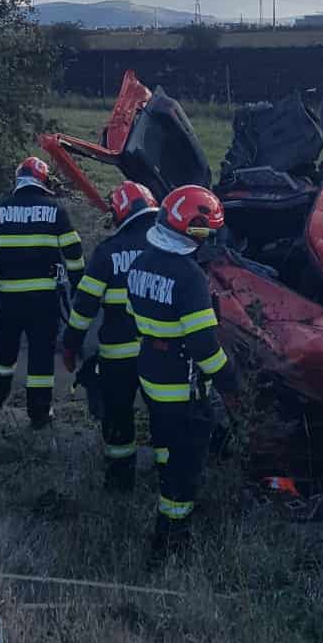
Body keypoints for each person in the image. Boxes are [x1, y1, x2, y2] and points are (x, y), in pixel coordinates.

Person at [126, 184, 236, 552]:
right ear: (195, 230)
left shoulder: (140, 261)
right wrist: (229, 381)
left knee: (163, 437)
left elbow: (135, 315)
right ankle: (172, 535)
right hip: (181, 382)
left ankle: (163, 478)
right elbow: (204, 345)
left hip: (151, 371)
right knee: (186, 465)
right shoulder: (189, 278)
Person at [0, 155, 84, 428]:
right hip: (45, 301)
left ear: (18, 181)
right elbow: (74, 253)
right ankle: (39, 414)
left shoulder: (0, 210)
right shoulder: (55, 211)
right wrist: (79, 285)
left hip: (10, 300)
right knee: (41, 355)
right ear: (43, 181)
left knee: (6, 350)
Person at [61, 181, 158, 492]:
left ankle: (119, 481)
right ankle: (167, 479)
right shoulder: (168, 248)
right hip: (161, 355)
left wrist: (71, 344)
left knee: (118, 416)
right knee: (164, 416)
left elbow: (84, 307)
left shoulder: (107, 253)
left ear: (120, 212)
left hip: (118, 357)